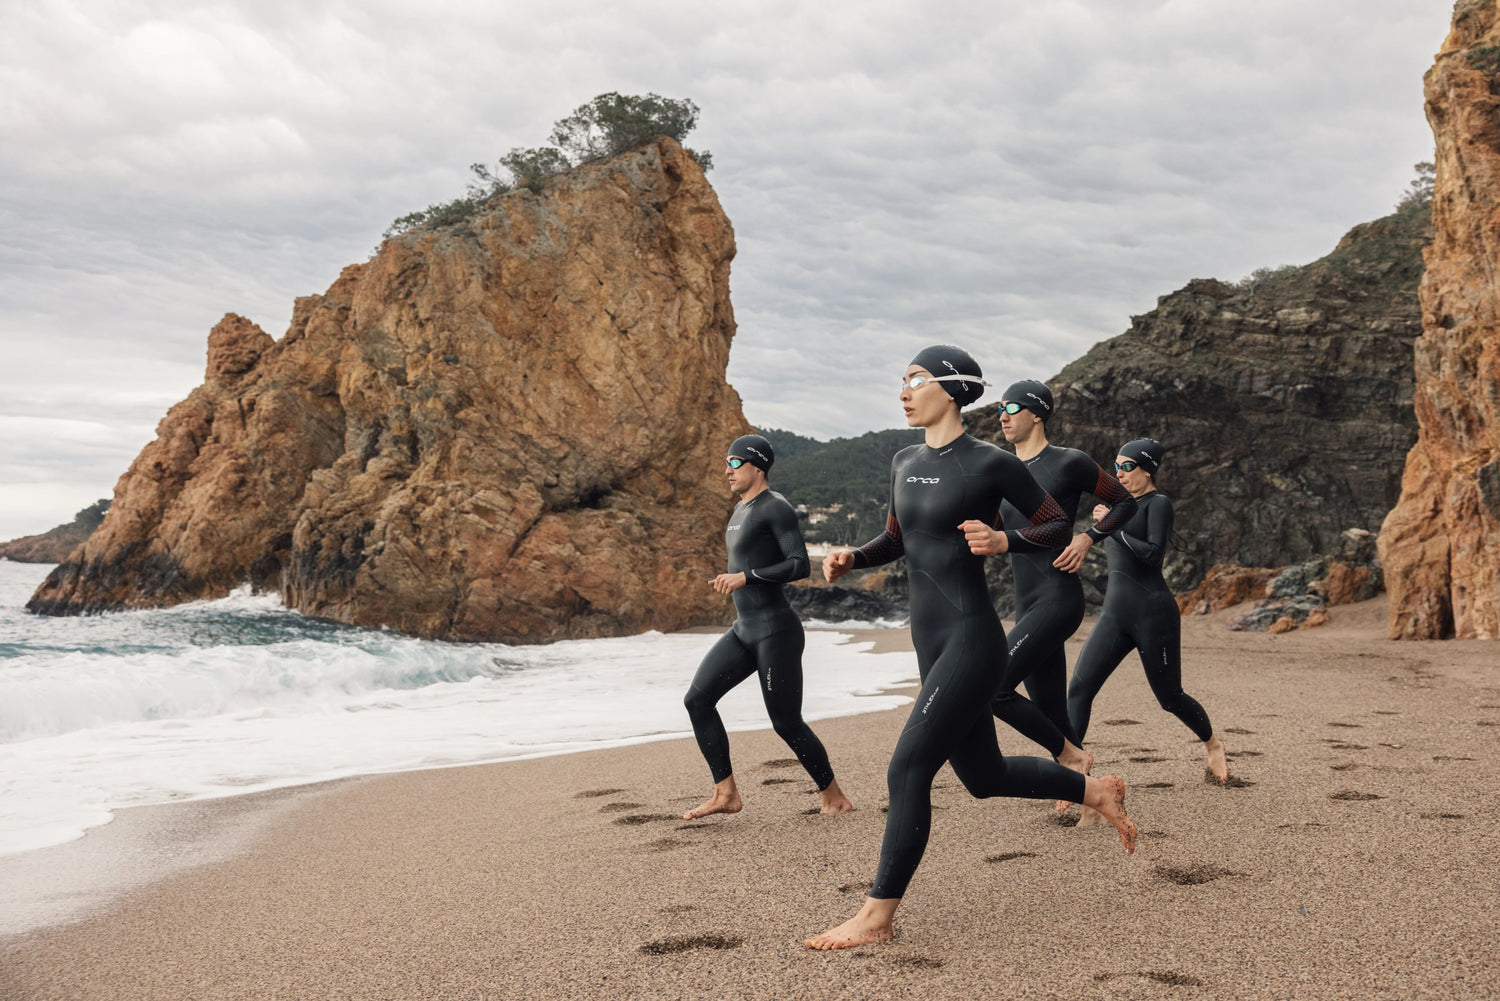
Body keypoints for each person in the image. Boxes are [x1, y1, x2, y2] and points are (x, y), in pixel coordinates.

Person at [805, 347, 1136, 952]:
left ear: (952, 391)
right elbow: (898, 539)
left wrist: (1004, 540)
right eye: (902, 381)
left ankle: (878, 915)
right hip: (927, 640)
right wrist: (854, 556)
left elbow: (1056, 523)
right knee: (983, 776)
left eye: (916, 380)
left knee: (907, 768)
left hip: (970, 638)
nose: (904, 391)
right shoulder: (905, 460)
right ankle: (1093, 789)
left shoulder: (988, 464)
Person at [682, 434, 854, 821]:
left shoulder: (775, 507)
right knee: (697, 700)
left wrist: (746, 577)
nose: (727, 470)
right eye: (726, 462)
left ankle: (835, 796)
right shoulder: (740, 510)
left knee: (786, 723)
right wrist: (735, 579)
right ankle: (725, 792)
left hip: (776, 631)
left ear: (757, 466)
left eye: (736, 462)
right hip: (744, 629)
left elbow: (799, 564)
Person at [991, 380, 1137, 803]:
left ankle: (1071, 759)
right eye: (1000, 408)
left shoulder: (1068, 462)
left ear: (1036, 413)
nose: (1002, 415)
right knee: (1052, 709)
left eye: (1012, 407)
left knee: (994, 687)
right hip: (1026, 602)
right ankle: (1093, 797)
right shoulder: (1001, 470)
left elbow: (1125, 502)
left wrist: (1087, 537)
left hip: (1057, 597)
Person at [1065, 438, 1229, 785]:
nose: (1119, 473)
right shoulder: (1116, 505)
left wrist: (1113, 523)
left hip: (1153, 614)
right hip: (1114, 615)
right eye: (1116, 466)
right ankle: (1075, 774)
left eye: (1127, 466)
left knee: (1170, 697)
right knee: (1079, 689)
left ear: (1147, 469)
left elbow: (1153, 555)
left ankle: (1213, 744)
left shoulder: (1159, 504)